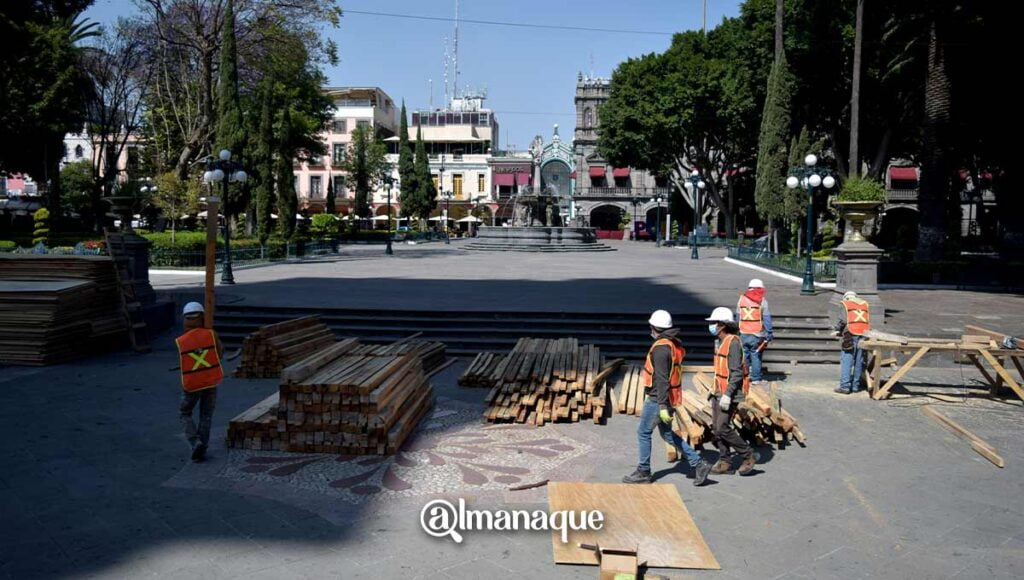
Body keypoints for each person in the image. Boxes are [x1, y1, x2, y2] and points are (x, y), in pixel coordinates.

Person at [623, 310, 712, 486]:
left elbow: (662, 379)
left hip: (658, 399)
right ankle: (699, 463)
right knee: (668, 434)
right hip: (670, 396)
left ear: (655, 327)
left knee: (643, 433)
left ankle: (643, 471)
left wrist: (662, 405)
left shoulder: (661, 349)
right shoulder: (672, 344)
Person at [705, 307, 758, 476]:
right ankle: (725, 461)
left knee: (722, 428)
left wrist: (728, 394)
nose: (711, 326)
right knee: (716, 427)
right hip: (718, 392)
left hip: (729, 393)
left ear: (722, 325)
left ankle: (748, 455)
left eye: (713, 323)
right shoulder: (720, 342)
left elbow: (736, 372)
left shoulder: (733, 343)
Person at [175, 302, 224, 462]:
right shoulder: (211, 334)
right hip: (210, 379)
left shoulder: (181, 340)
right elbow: (220, 353)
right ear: (202, 316)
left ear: (185, 319)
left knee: (184, 412)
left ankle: (195, 442)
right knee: (206, 415)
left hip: (192, 383)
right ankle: (202, 445)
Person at [736, 278, 774, 384]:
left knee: (745, 354)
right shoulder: (762, 301)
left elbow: (738, 317)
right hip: (757, 334)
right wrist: (769, 332)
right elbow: (766, 318)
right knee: (756, 355)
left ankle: (745, 375)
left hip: (743, 332)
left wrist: (737, 330)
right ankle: (756, 378)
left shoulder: (741, 300)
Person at [833, 291, 872, 394]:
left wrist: (837, 329)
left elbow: (843, 321)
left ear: (846, 297)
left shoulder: (845, 303)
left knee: (847, 360)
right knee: (859, 360)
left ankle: (845, 386)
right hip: (864, 333)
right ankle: (855, 386)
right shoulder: (864, 304)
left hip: (850, 334)